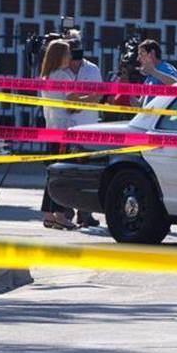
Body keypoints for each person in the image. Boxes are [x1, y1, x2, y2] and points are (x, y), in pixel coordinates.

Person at [62, 32, 104, 227]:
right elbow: (66, 101)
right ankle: (66, 210)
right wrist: (83, 98)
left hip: (88, 129)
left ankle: (84, 213)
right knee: (66, 172)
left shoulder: (92, 70)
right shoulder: (61, 72)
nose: (73, 64)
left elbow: (98, 96)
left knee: (86, 172)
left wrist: (77, 100)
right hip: (65, 129)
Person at [39, 40, 78, 230]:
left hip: (51, 129)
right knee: (63, 174)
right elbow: (72, 103)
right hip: (64, 131)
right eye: (68, 54)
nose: (70, 57)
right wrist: (94, 97)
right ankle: (59, 215)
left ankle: (50, 214)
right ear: (60, 56)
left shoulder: (46, 77)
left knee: (52, 173)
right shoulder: (64, 76)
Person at [137, 39, 177, 104]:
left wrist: (153, 72)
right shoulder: (149, 77)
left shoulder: (165, 68)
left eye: (141, 53)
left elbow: (176, 85)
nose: (138, 58)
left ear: (152, 53)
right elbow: (139, 104)